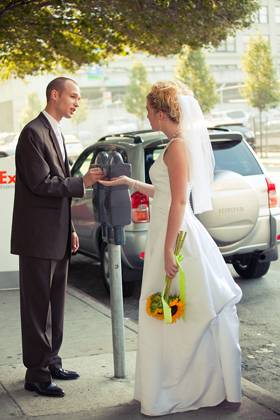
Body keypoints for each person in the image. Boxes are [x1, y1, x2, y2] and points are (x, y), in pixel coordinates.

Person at [99, 80, 242, 416]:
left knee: (184, 313)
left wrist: (167, 250)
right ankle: (172, 384)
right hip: (167, 230)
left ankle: (190, 387)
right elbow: (164, 193)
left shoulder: (177, 147)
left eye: (149, 112)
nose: (147, 117)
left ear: (161, 113)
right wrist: (131, 183)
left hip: (176, 236)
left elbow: (179, 200)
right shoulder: (173, 145)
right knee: (171, 313)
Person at [11, 77, 104, 397]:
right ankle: (35, 374)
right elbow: (42, 184)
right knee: (38, 307)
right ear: (54, 95)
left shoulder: (56, 130)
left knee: (55, 304)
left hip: (57, 234)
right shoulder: (32, 133)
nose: (77, 102)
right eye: (73, 96)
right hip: (37, 237)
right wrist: (84, 181)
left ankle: (51, 361)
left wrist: (72, 229)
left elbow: (56, 184)